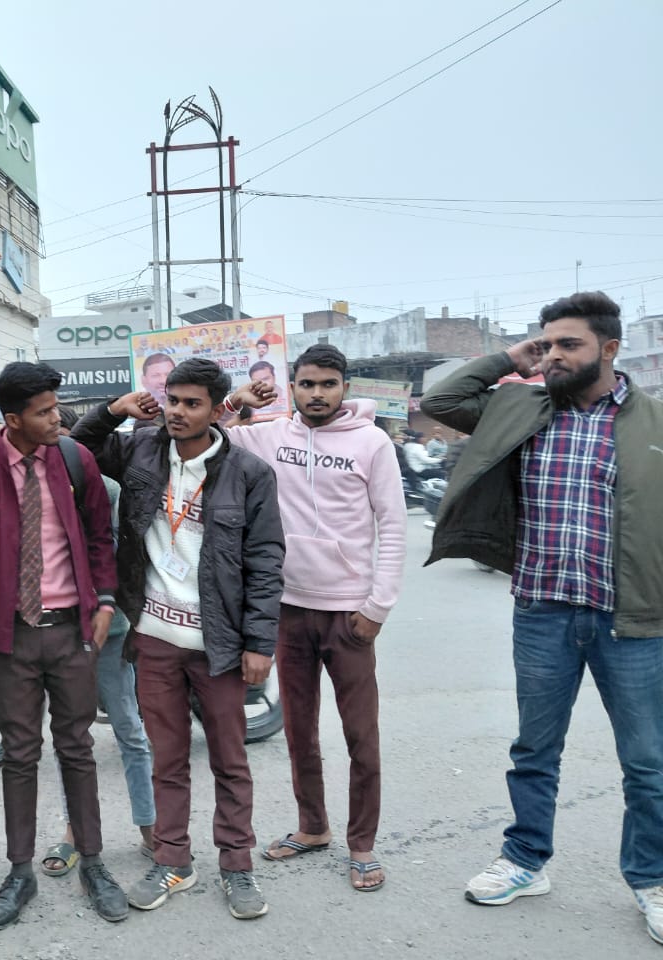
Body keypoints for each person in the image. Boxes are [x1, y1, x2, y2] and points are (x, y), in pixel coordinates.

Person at [422, 291, 663, 947]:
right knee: (535, 750)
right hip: (542, 610)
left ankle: (652, 878)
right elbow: (440, 404)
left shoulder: (653, 423)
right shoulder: (518, 405)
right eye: (547, 343)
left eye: (569, 345)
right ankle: (527, 861)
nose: (554, 355)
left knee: (647, 762)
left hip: (631, 620)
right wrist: (510, 357)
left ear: (610, 350)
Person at [71, 358, 285, 921]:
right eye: (172, 400)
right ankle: (173, 861)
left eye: (192, 403)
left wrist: (260, 643)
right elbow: (77, 448)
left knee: (229, 760)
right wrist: (114, 408)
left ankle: (237, 866)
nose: (177, 412)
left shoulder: (249, 473)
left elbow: (266, 563)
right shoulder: (141, 449)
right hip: (154, 636)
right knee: (168, 758)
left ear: (218, 411)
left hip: (218, 641)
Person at [0, 361, 129, 931]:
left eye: (56, 408)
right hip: (10, 638)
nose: (56, 418)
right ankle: (19, 873)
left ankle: (94, 863)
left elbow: (98, 538)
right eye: (43, 412)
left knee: (78, 749)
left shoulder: (75, 459)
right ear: (12, 419)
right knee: (18, 755)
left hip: (72, 633)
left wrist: (106, 603)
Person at [222, 344, 406, 892]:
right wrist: (237, 398)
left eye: (328, 384)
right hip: (288, 607)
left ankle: (363, 845)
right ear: (292, 387)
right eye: (306, 384)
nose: (317, 394)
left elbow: (392, 526)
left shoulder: (372, 443)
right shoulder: (271, 435)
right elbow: (212, 434)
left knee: (360, 737)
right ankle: (313, 826)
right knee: (300, 731)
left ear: (344, 386)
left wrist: (377, 606)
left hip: (350, 613)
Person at [40, 406, 155, 878]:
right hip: (58, 633)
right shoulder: (32, 493)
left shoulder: (108, 491)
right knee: (71, 733)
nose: (61, 449)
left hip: (111, 631)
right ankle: (73, 831)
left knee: (128, 727)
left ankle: (149, 825)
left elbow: (119, 560)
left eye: (69, 439)